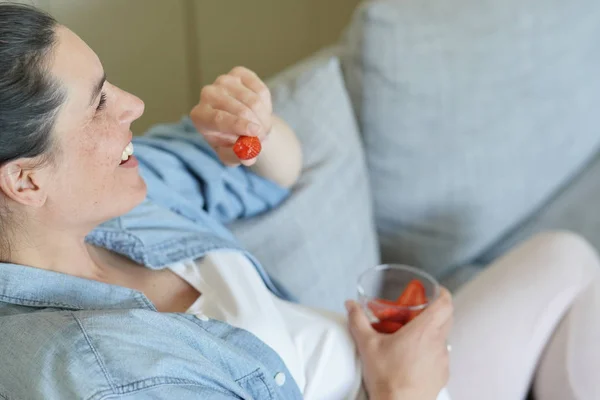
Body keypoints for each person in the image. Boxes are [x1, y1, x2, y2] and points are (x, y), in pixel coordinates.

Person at [0, 4, 599, 400]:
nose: (133, 104)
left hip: (392, 367)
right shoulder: (97, 376)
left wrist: (253, 134)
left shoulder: (111, 198)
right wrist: (403, 390)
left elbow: (270, 177)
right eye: (100, 102)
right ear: (25, 180)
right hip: (401, 387)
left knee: (564, 255)